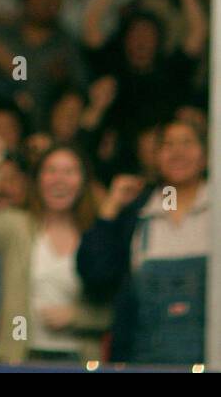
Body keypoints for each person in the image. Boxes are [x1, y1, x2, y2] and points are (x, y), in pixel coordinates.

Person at [0, 137, 110, 363]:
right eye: (50, 171)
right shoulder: (19, 227)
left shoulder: (99, 235)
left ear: (83, 181)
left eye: (69, 172)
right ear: (38, 180)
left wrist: (77, 316)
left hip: (79, 359)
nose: (59, 180)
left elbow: (119, 309)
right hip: (20, 357)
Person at [77, 120, 209, 365]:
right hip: (142, 360)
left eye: (187, 143)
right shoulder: (137, 213)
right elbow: (95, 275)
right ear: (155, 157)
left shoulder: (216, 209)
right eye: (168, 145)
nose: (177, 152)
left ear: (206, 155)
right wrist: (110, 208)